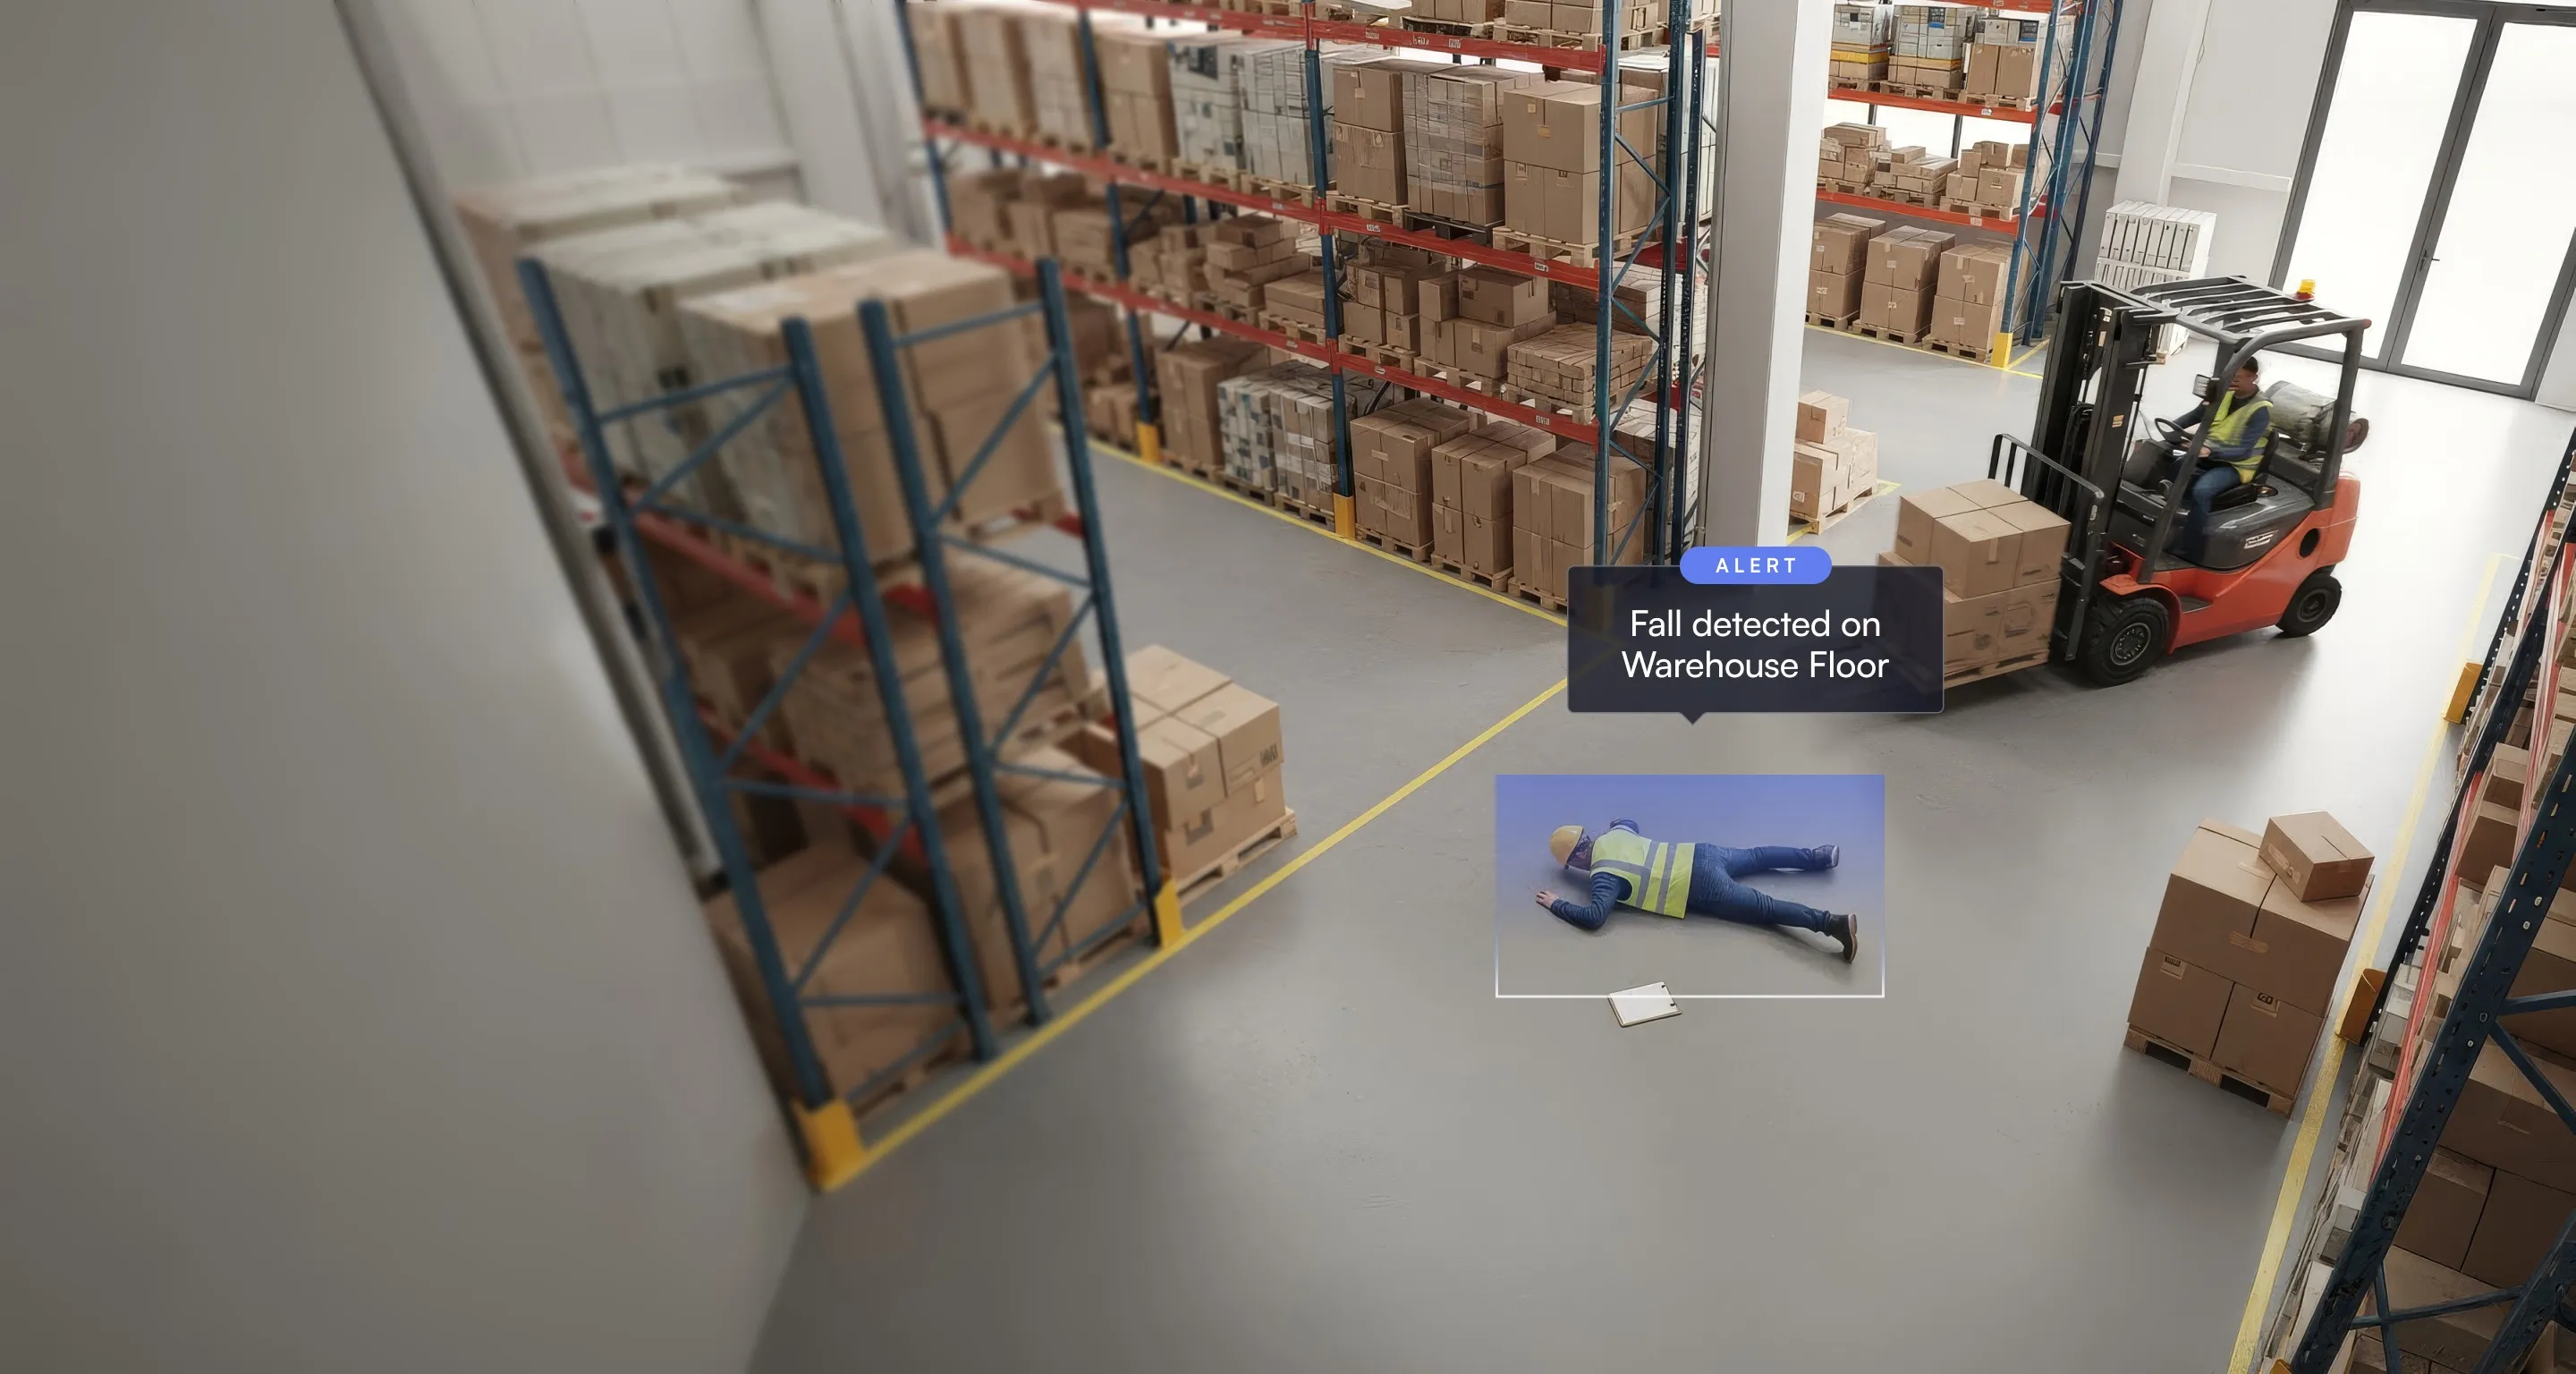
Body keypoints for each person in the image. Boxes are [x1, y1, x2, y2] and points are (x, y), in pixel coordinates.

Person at [1534, 820, 1861, 963]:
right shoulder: (1613, 835)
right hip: (1701, 852)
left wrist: (1557, 904)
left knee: (1765, 908)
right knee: (1759, 856)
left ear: (1576, 858)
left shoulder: (1603, 876)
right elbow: (1628, 821)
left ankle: (1831, 923)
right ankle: (1818, 857)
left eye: (1570, 864)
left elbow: (1594, 918)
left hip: (1699, 886)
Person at [2165, 357, 2275, 545]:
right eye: (2231, 376)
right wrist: (2171, 429)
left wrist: (2209, 451)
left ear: (2253, 377)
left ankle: (2191, 544)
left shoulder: (2260, 410)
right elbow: (2195, 415)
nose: (2232, 380)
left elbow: (2244, 452)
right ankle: (2171, 521)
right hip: (2210, 455)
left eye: (2238, 377)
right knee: (2175, 465)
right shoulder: (2224, 394)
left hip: (2236, 465)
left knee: (2203, 490)